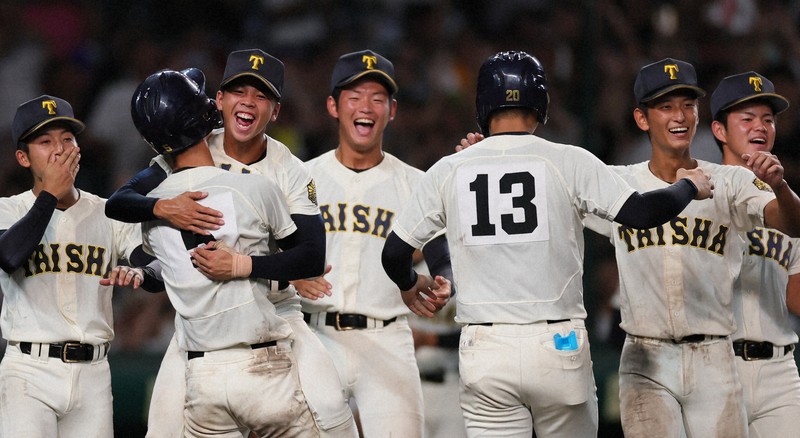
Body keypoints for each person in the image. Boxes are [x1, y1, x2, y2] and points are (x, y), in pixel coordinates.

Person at [381, 50, 714, 438]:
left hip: (486, 347)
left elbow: (394, 253)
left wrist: (409, 283)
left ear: (483, 104)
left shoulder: (450, 168)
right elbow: (642, 213)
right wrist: (688, 185)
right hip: (558, 343)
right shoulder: (567, 159)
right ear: (540, 102)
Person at [105, 50, 357, 437]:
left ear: (275, 111)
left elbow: (309, 256)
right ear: (218, 101)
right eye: (239, 91)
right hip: (199, 325)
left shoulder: (287, 169)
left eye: (261, 95)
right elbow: (119, 201)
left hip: (275, 313)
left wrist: (261, 268)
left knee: (331, 410)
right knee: (162, 428)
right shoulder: (193, 144)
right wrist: (164, 207)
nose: (248, 102)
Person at [580, 58, 800, 438]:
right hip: (645, 358)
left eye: (688, 104)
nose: (679, 116)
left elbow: (791, 225)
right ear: (642, 118)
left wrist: (779, 187)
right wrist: (489, 156)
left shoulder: (729, 181)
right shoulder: (616, 182)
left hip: (714, 357)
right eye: (666, 106)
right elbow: (548, 194)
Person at [291, 49, 453, 437]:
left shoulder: (416, 183)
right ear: (333, 106)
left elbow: (441, 257)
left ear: (391, 110)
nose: (366, 106)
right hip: (314, 337)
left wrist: (445, 282)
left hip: (388, 337)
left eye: (377, 98)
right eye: (355, 96)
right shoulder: (301, 178)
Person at [0, 95, 153, 437]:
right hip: (28, 371)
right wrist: (49, 196)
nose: (59, 150)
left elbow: (154, 266)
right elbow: (9, 256)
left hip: (93, 373)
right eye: (45, 142)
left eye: (67, 139)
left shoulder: (108, 211)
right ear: (23, 158)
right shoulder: (8, 209)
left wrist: (141, 273)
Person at [709, 71, 800, 436]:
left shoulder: (789, 204)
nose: (760, 126)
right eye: (747, 118)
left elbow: (795, 297)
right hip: (714, 365)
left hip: (779, 369)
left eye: (768, 119)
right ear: (719, 130)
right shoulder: (700, 193)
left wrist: (780, 188)